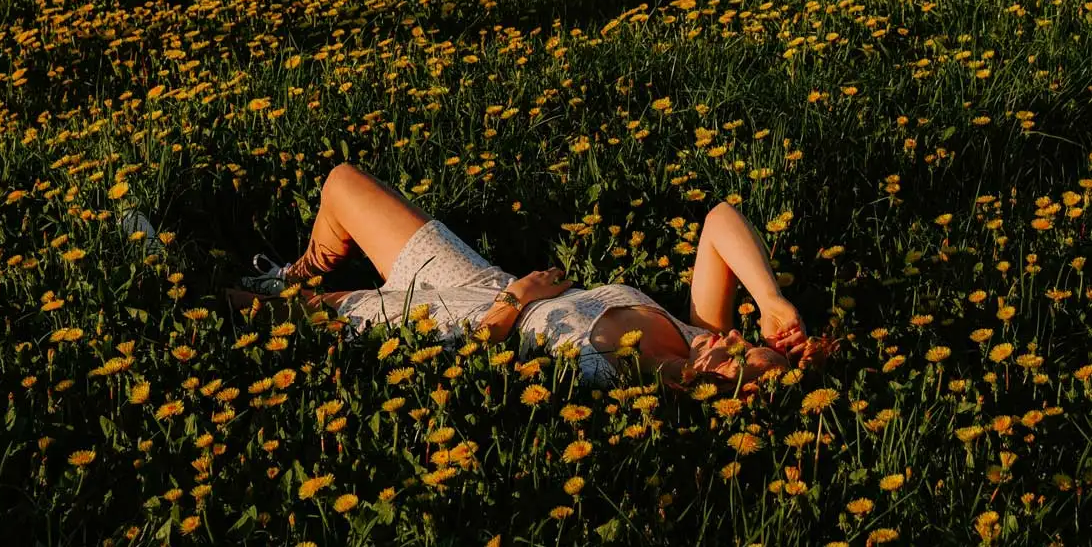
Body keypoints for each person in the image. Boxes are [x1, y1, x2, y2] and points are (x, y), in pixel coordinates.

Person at [131, 164, 829, 390]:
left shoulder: (646, 383)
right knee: (343, 184)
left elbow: (483, 366)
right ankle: (298, 271)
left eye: (734, 370)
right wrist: (771, 300)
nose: (726, 349)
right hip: (477, 277)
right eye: (743, 347)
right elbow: (718, 219)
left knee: (234, 315)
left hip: (460, 324)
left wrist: (520, 297)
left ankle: (169, 281)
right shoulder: (701, 330)